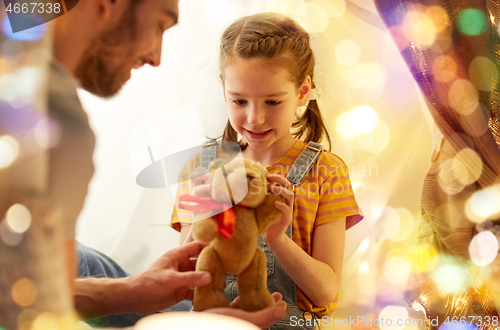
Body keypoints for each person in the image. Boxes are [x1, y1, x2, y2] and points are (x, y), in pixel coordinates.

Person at [0, 0, 287, 329]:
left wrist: (131, 292)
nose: (156, 57)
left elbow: (25, 291)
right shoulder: (56, 121)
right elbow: (34, 310)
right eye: (159, 25)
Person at [171, 12, 363, 330]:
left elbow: (326, 292)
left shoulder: (326, 172)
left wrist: (277, 238)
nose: (255, 118)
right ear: (224, 90)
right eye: (239, 100)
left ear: (302, 92)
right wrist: (208, 210)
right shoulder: (201, 168)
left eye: (273, 102)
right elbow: (186, 283)